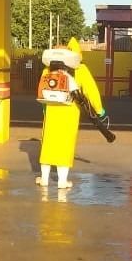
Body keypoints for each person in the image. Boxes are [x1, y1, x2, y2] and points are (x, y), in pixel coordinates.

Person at [35, 37, 106, 189]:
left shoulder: (48, 68)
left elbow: (42, 89)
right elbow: (91, 91)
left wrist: (44, 108)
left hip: (51, 110)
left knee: (48, 143)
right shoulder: (81, 69)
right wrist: (99, 109)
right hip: (70, 112)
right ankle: (62, 181)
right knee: (65, 145)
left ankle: (44, 179)